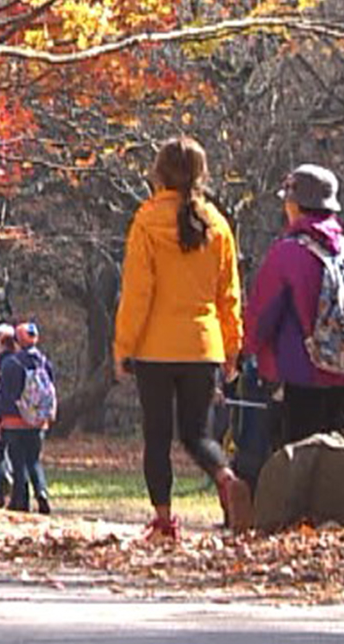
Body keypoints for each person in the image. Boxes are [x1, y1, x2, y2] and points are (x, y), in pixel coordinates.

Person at [116, 136, 250, 538]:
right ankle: (225, 478)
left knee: (156, 436)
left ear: (159, 173)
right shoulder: (218, 224)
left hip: (156, 347)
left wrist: (124, 346)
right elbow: (229, 294)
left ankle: (163, 519)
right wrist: (231, 347)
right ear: (201, 174)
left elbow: (139, 291)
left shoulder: (147, 220)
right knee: (197, 434)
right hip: (202, 344)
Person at [242, 165, 344, 447]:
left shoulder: (287, 253)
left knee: (298, 465)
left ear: (294, 204)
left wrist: (244, 350)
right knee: (336, 464)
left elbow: (262, 316)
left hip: (298, 374)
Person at [0, 322, 55, 514]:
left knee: (18, 462)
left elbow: (4, 395)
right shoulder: (44, 362)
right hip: (38, 421)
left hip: (14, 421)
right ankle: (42, 493)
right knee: (34, 460)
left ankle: (20, 501)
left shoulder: (11, 364)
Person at [0, 323, 18, 504]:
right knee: (16, 456)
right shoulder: (19, 361)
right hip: (20, 416)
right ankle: (15, 490)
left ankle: (0, 493)